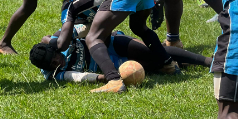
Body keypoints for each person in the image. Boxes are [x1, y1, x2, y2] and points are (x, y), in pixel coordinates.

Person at [49, 0, 180, 93]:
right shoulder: (87, 9)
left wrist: (50, 42)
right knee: (138, 27)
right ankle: (169, 65)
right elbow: (105, 39)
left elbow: (63, 45)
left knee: (92, 38)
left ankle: (114, 81)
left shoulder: (68, 8)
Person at [30, 28, 213, 84]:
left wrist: (57, 37)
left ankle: (208, 62)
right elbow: (77, 76)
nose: (58, 63)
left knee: (150, 52)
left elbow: (85, 26)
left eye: (56, 58)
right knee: (152, 64)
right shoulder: (52, 74)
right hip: (110, 62)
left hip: (110, 42)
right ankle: (177, 64)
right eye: (54, 65)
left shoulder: (59, 41)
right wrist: (106, 78)